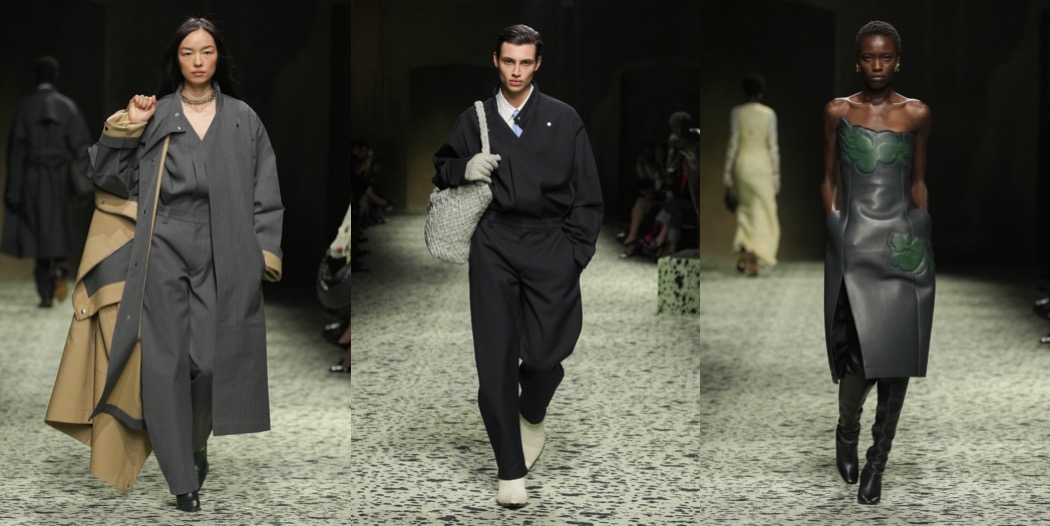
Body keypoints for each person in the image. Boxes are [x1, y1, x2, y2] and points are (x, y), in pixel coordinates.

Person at [72, 17, 284, 512]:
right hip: (163, 242)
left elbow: (265, 189)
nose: (197, 61)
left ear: (218, 57)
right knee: (165, 362)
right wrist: (128, 124)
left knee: (208, 363)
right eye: (188, 53)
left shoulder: (243, 119)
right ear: (176, 59)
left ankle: (193, 443)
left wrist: (262, 253)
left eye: (206, 52)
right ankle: (181, 478)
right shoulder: (158, 112)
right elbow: (109, 176)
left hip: (224, 246)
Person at [432, 24, 603, 508]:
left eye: (525, 62)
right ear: (496, 60)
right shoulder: (476, 118)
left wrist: (575, 254)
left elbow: (587, 191)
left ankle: (531, 409)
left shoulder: (564, 118)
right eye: (508, 61)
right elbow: (441, 167)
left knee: (548, 354)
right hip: (495, 242)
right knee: (495, 362)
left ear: (538, 63)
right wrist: (463, 168)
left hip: (552, 243)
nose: (516, 71)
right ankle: (510, 470)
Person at [821, 20, 934, 505]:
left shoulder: (917, 113)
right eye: (869, 57)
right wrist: (835, 228)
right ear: (858, 61)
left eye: (885, 57)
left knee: (898, 360)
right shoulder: (838, 110)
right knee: (860, 357)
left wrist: (923, 234)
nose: (877, 66)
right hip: (855, 243)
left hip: (904, 246)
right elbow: (828, 178)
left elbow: (918, 181)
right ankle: (847, 429)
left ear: (898, 61)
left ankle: (877, 463)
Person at [1, 56, 92, 307]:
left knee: (37, 231)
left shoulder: (24, 108)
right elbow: (82, 147)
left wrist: (13, 190)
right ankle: (60, 267)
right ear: (55, 76)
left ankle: (45, 293)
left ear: (35, 77)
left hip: (32, 178)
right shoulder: (68, 107)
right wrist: (80, 183)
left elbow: (16, 153)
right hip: (59, 178)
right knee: (57, 226)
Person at [722, 73, 781, 277]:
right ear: (761, 93)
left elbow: (733, 143)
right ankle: (755, 260)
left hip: (743, 165)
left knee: (745, 209)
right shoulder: (769, 114)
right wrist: (776, 175)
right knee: (763, 213)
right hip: (763, 166)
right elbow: (773, 147)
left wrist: (727, 173)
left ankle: (744, 249)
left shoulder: (737, 112)